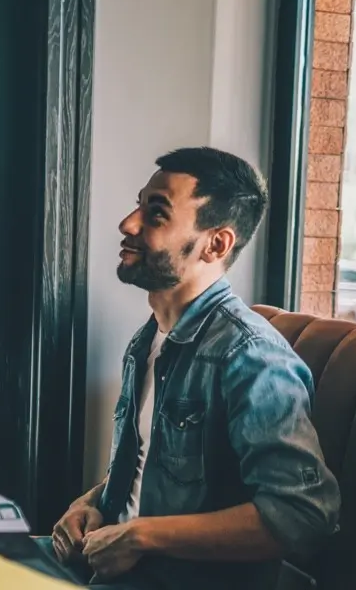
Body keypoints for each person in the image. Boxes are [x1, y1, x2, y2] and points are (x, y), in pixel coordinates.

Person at [41, 147, 340, 590]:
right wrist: (91, 503)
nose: (128, 223)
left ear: (215, 243)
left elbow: (303, 514)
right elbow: (152, 466)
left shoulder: (250, 355)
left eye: (156, 213)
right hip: (104, 565)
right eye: (139, 204)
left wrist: (141, 537)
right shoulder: (148, 341)